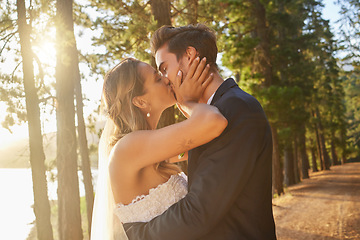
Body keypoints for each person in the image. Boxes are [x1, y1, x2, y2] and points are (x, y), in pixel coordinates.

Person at [123, 24, 277, 239]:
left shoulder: (237, 109)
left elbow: (199, 212)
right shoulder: (216, 113)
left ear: (189, 56)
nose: (165, 79)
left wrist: (140, 234)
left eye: (165, 68)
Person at [90, 57, 228, 240]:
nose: (166, 79)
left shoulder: (152, 149)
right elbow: (214, 122)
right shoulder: (128, 147)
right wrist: (187, 100)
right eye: (157, 78)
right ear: (140, 102)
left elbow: (196, 145)